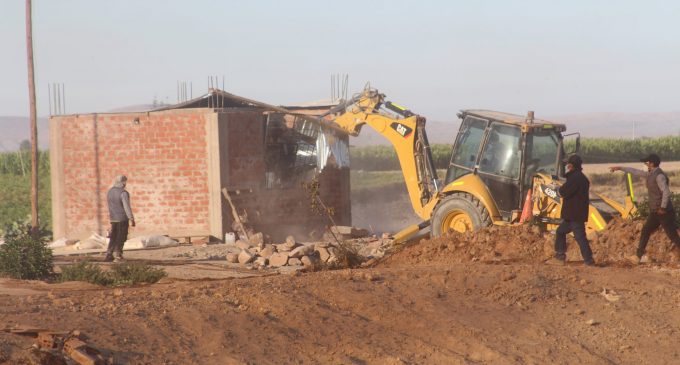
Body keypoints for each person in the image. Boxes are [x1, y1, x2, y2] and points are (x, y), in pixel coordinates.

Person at [610, 154, 680, 264]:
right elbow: (635, 171)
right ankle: (638, 257)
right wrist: (620, 168)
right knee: (646, 231)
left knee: (673, 236)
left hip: (664, 212)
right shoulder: (650, 174)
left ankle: (638, 256)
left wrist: (663, 207)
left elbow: (666, 192)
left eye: (646, 163)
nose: (645, 164)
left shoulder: (659, 176)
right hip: (656, 212)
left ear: (652, 163)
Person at [547, 154, 595, 266]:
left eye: (568, 164)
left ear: (571, 166)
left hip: (574, 215)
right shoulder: (582, 178)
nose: (567, 166)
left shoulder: (574, 178)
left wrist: (556, 188)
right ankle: (560, 256)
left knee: (580, 237)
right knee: (560, 232)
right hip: (575, 215)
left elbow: (563, 192)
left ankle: (589, 260)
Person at [105, 175, 135, 262]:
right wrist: (131, 218)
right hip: (122, 218)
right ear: (122, 182)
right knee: (121, 237)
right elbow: (126, 207)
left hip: (113, 218)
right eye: (125, 182)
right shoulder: (123, 193)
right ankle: (118, 255)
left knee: (113, 236)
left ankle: (109, 254)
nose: (125, 184)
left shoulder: (110, 192)